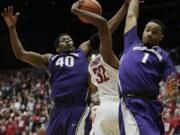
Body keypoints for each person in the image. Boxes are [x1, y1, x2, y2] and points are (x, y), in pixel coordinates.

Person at [2, 4, 94, 135]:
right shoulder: (50, 58)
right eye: (64, 40)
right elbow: (20, 53)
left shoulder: (81, 51)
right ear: (57, 48)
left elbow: (103, 32)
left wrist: (123, 9)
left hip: (78, 106)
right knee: (42, 132)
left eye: (69, 39)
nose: (68, 41)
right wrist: (12, 28)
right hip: (58, 109)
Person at [118, 0, 178, 135]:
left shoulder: (164, 56)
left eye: (154, 32)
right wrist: (134, 1)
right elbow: (131, 16)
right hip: (132, 102)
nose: (149, 34)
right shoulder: (131, 42)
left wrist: (172, 92)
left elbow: (172, 91)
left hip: (152, 106)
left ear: (161, 37)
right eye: (147, 30)